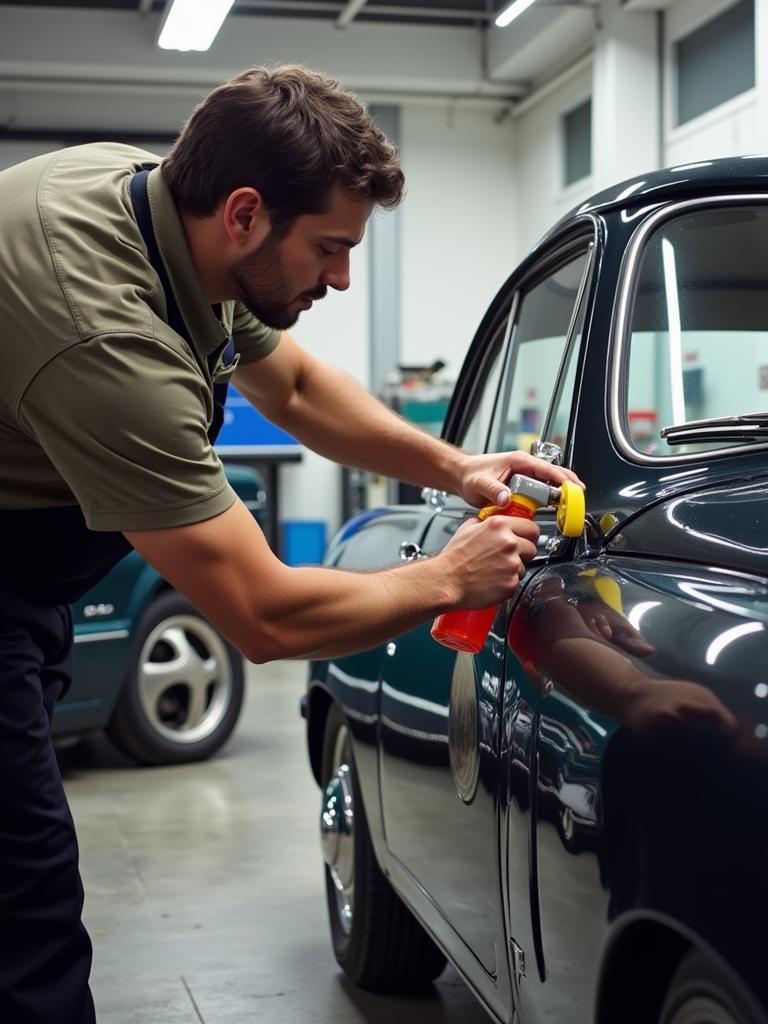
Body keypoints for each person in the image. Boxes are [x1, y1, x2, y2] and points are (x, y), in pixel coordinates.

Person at [0, 64, 576, 1024]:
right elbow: (262, 616)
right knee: (26, 915)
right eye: (331, 250)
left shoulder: (159, 209)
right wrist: (445, 576)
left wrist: (457, 469)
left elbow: (300, 391)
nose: (343, 278)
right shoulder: (105, 339)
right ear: (244, 214)